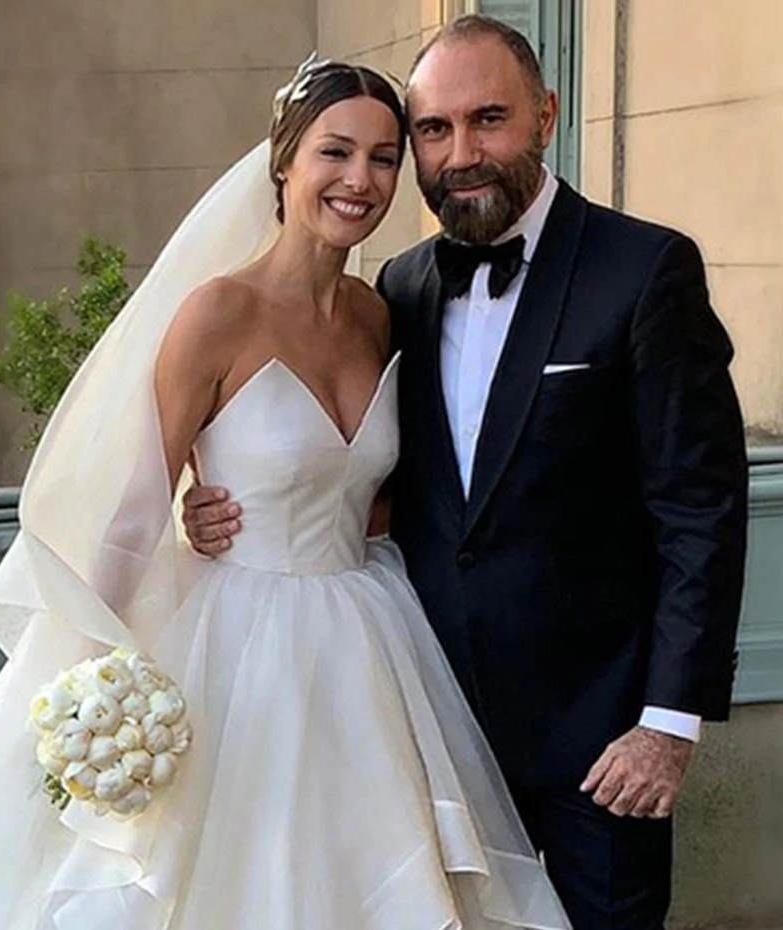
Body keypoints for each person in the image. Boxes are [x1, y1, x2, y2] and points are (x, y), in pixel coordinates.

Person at [0, 57, 570, 930]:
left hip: (364, 646)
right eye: (335, 152)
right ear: (284, 161)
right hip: (235, 650)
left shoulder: (377, 314)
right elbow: (134, 508)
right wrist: (93, 688)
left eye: (384, 157)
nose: (360, 180)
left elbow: (377, 496)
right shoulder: (216, 314)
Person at [183, 17, 749, 930]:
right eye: (434, 131)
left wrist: (668, 723)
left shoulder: (645, 270)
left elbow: (700, 510)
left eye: (489, 119)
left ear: (547, 115)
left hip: (600, 742)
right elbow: (365, 482)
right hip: (426, 728)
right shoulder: (398, 291)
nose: (462, 154)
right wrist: (214, 507)